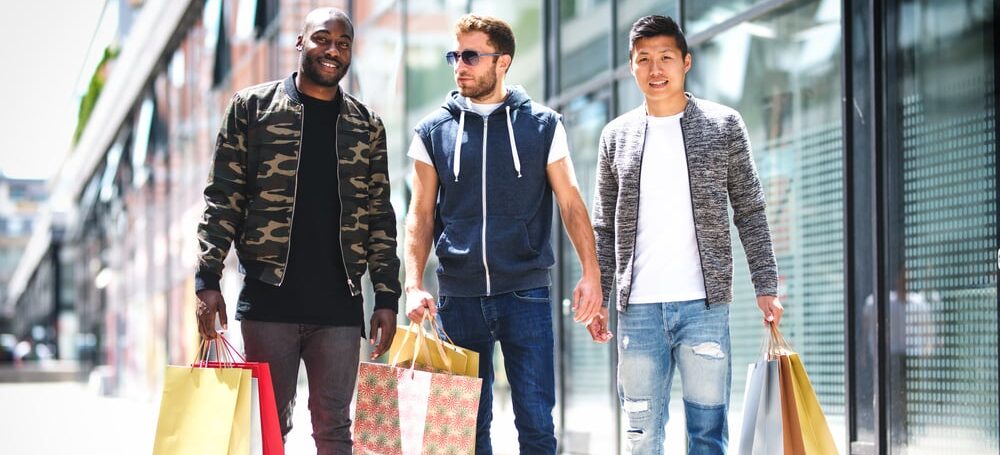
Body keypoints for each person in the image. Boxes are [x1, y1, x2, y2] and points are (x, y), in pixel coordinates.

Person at [193, 8, 401, 454]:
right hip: (270, 303)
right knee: (267, 430)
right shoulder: (251, 109)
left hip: (340, 308)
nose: (333, 50)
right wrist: (206, 279)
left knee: (335, 429)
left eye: (343, 44)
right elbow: (223, 196)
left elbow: (380, 216)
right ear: (300, 43)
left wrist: (386, 297)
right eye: (322, 39)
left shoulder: (367, 127)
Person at [403, 14, 610, 455]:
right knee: (464, 430)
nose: (460, 65)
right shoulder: (432, 131)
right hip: (457, 300)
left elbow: (572, 204)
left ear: (503, 61)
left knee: (536, 425)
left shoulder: (543, 125)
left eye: (471, 56)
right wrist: (414, 284)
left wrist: (592, 274)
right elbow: (419, 215)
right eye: (455, 56)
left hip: (526, 294)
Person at [592, 15, 784, 454]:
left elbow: (750, 211)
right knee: (641, 438)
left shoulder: (723, 126)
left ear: (686, 62)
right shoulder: (615, 137)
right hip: (637, 312)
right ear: (631, 67)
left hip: (704, 308)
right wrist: (601, 295)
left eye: (665, 58)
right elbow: (604, 226)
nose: (655, 70)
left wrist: (766, 285)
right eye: (644, 60)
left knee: (707, 435)